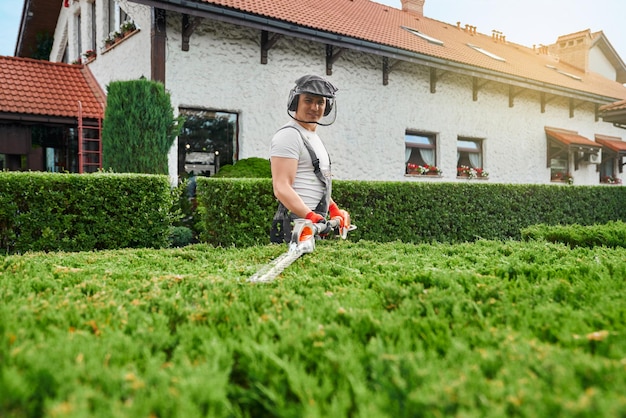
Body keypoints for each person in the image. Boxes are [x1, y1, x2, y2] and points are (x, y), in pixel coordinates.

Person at [269, 74, 350, 244]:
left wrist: (334, 210)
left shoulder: (312, 137)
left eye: (320, 102)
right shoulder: (289, 135)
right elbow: (281, 187)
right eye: (308, 100)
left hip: (313, 225)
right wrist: (311, 216)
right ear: (295, 102)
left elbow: (317, 182)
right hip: (294, 226)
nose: (315, 107)